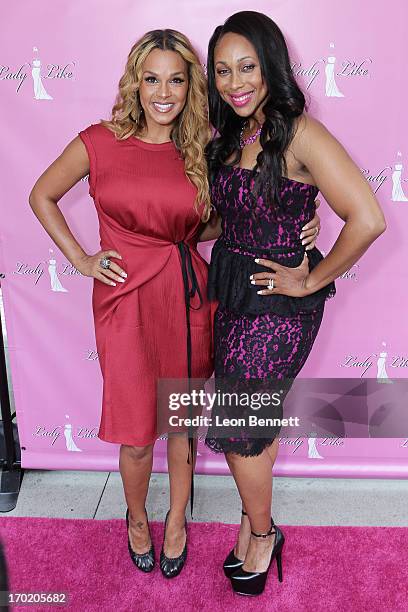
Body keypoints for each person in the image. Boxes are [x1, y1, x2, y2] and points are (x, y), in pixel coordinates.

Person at [28, 28, 320, 579]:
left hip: (187, 299)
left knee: (180, 425)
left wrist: (298, 222)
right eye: (152, 78)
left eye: (177, 80)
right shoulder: (98, 141)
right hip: (123, 301)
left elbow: (231, 214)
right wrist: (82, 259)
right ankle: (137, 520)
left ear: (190, 88)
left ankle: (178, 521)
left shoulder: (203, 151)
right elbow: (41, 194)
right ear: (135, 83)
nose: (164, 92)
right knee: (138, 435)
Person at [204, 11, 386, 596]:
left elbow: (368, 218)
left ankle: (263, 534)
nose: (235, 82)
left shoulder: (299, 132)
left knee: (240, 422)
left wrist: (309, 280)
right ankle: (253, 517)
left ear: (271, 66)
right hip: (232, 290)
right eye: (223, 71)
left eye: (247, 67)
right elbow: (221, 220)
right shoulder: (232, 133)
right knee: (247, 419)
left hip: (278, 304)